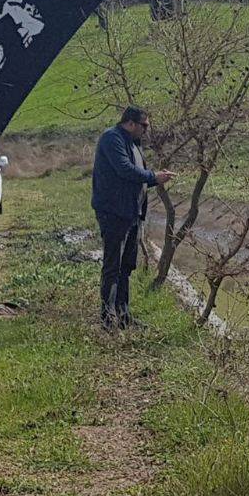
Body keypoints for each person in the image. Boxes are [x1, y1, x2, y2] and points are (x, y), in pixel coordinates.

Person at [92, 106, 172, 330]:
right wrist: (154, 177)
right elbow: (125, 170)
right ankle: (107, 320)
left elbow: (136, 173)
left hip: (131, 213)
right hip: (114, 213)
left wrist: (153, 177)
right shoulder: (112, 139)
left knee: (126, 267)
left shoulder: (133, 143)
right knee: (112, 267)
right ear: (130, 123)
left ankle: (124, 316)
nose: (146, 130)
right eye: (144, 125)